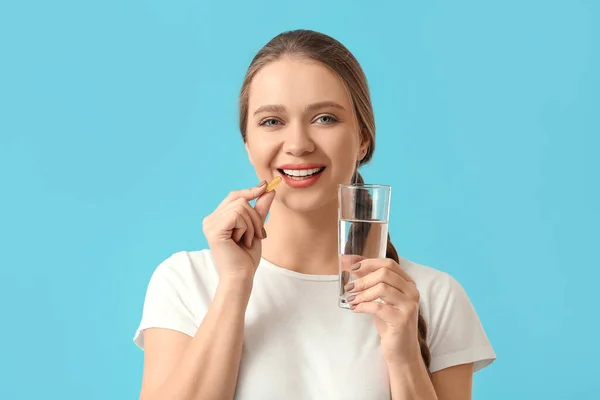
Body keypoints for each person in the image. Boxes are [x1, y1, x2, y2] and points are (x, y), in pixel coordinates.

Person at [133, 29, 496, 400]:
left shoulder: (432, 296)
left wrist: (403, 356)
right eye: (272, 121)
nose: (298, 145)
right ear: (247, 143)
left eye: (324, 118)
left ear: (363, 140)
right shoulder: (186, 282)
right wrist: (235, 285)